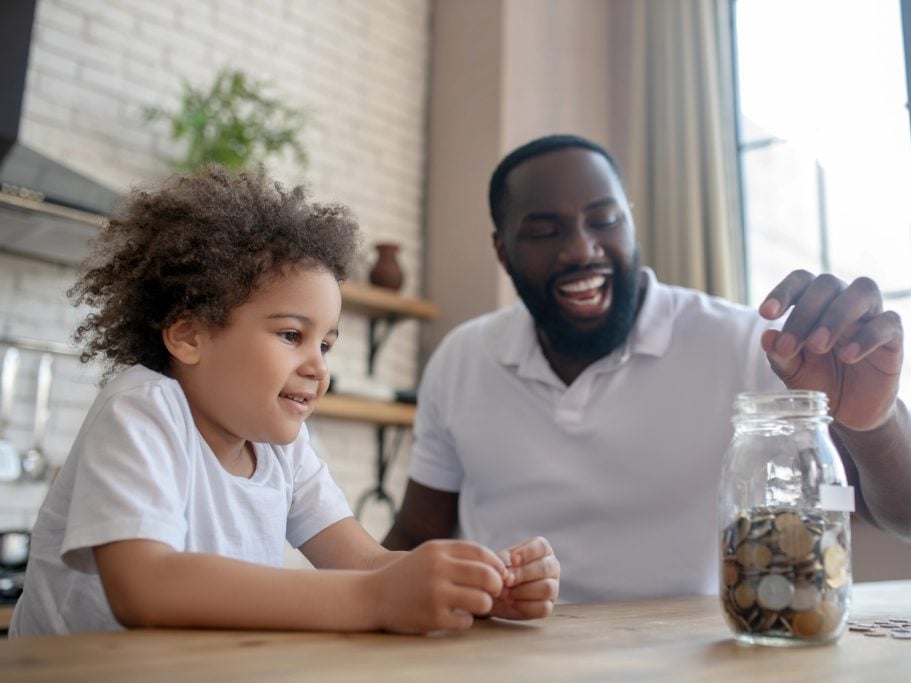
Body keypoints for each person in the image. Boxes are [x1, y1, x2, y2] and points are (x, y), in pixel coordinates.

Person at [383, 134, 911, 603]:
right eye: (543, 230)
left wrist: (876, 421)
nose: (582, 249)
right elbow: (413, 540)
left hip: (698, 663)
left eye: (605, 219)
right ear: (502, 250)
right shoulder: (463, 358)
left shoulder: (750, 347)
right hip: (507, 662)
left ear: (631, 223)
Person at [9, 165, 559, 637]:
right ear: (189, 335)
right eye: (292, 335)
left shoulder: (282, 447)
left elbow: (364, 562)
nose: (319, 366)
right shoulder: (144, 408)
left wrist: (477, 587)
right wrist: (377, 599)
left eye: (326, 343)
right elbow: (145, 587)